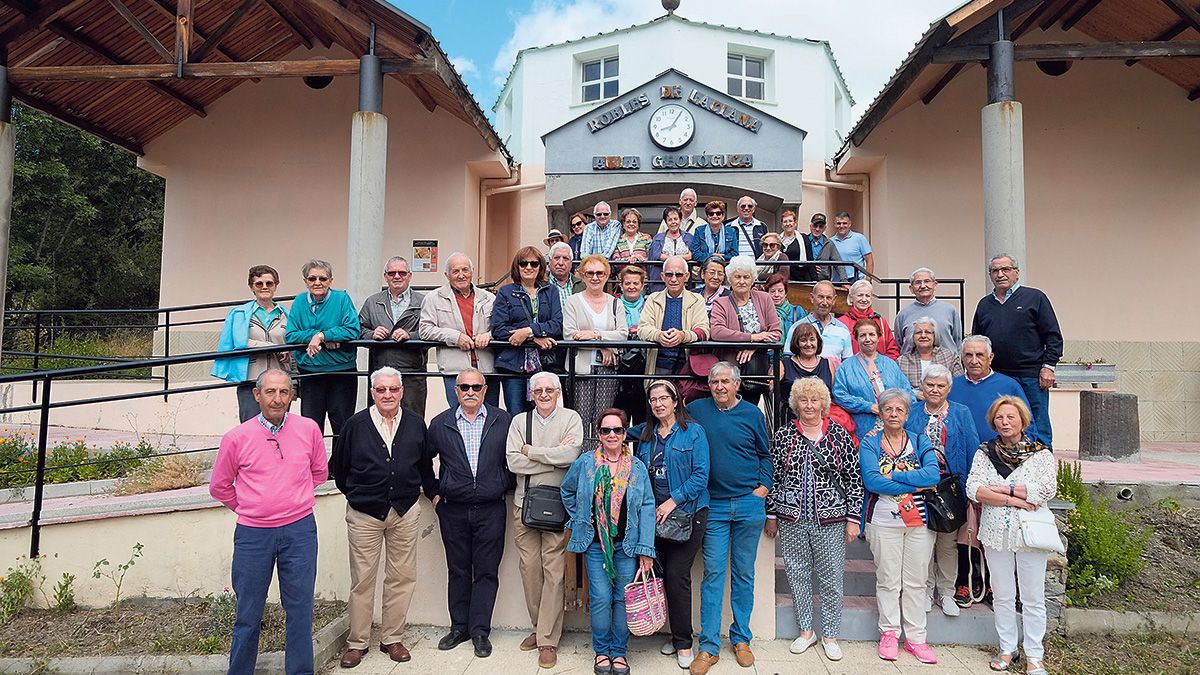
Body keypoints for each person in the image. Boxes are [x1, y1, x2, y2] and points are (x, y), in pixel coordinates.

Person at [209, 369, 326, 675]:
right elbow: (220, 486)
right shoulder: (236, 438)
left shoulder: (309, 429)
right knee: (248, 613)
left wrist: (292, 499)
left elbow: (319, 473)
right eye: (270, 392)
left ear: (293, 396)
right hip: (253, 535)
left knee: (300, 611)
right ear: (257, 395)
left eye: (284, 392)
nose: (277, 399)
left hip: (299, 531)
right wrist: (251, 507)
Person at [330, 367, 436, 668]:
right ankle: (357, 642)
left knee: (402, 577)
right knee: (362, 579)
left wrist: (433, 492)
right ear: (372, 392)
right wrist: (357, 495)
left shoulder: (416, 424)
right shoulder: (355, 425)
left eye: (393, 389)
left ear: (401, 391)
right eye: (381, 390)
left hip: (404, 511)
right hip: (365, 513)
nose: (387, 395)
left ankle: (392, 638)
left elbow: (424, 466)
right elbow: (340, 468)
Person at [765, 377, 863, 662]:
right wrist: (772, 514)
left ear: (824, 403)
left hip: (831, 519)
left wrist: (853, 519)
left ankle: (830, 634)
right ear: (796, 404)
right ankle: (806, 631)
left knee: (831, 576)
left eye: (814, 400)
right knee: (797, 574)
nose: (809, 405)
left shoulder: (839, 435)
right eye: (804, 400)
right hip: (792, 518)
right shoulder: (784, 435)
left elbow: (853, 479)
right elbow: (775, 478)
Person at [686, 362, 772, 675]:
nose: (720, 386)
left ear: (737, 384)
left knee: (744, 574)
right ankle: (708, 647)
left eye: (725, 381)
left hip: (749, 504)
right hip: (715, 507)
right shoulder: (696, 409)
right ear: (708, 385)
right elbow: (668, 424)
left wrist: (764, 487)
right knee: (713, 574)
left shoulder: (752, 414)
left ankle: (741, 639)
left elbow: (765, 453)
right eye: (714, 381)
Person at [560, 408, 656, 675]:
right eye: (605, 430)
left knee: (623, 600)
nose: (611, 435)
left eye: (617, 430)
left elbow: (647, 507)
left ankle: (620, 652)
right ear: (598, 434)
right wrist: (580, 517)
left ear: (625, 434)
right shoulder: (585, 463)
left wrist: (646, 550)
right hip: (595, 545)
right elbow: (567, 490)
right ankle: (602, 651)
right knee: (601, 598)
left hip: (627, 545)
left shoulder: (636, 468)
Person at [966, 396, 1056, 675]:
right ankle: (1007, 648)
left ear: (1022, 420)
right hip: (995, 532)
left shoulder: (1041, 454)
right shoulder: (985, 452)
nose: (1005, 422)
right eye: (1000, 418)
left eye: (1010, 417)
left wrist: (1002, 489)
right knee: (1003, 595)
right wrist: (1015, 498)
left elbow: (1046, 490)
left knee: (1032, 597)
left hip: (1029, 534)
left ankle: (1035, 655)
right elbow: (974, 489)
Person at [428, 368, 513, 658]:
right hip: (453, 509)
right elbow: (422, 461)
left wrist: (503, 484)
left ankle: (480, 631)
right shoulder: (440, 423)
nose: (470, 392)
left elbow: (512, 459)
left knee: (487, 572)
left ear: (485, 389)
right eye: (464, 386)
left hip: (491, 508)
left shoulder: (503, 421)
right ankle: (459, 627)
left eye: (476, 386)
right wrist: (434, 492)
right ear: (455, 390)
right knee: (458, 570)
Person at [628, 380, 710, 670]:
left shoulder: (693, 433)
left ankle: (684, 642)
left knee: (677, 575)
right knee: (660, 574)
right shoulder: (646, 435)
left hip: (687, 513)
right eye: (653, 400)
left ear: (676, 401)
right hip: (654, 517)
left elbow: (701, 476)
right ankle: (674, 636)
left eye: (664, 398)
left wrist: (672, 501)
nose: (659, 403)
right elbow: (615, 433)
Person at [505, 371, 583, 669]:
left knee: (554, 572)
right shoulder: (519, 422)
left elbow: (572, 455)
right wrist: (552, 455)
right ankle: (540, 627)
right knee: (530, 570)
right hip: (524, 504)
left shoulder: (571, 418)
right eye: (538, 391)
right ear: (531, 394)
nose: (544, 395)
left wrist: (532, 452)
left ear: (558, 391)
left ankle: (547, 640)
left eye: (550, 390)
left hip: (557, 506)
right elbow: (513, 461)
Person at [859, 388, 941, 664]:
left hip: (919, 521)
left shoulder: (920, 440)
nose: (894, 414)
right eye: (888, 409)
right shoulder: (870, 443)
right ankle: (890, 634)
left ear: (907, 414)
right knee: (888, 580)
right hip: (883, 520)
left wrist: (891, 473)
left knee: (916, 582)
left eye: (899, 410)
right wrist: (915, 482)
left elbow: (933, 474)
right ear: (880, 413)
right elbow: (872, 481)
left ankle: (916, 639)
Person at [903, 364, 979, 618]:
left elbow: (972, 450)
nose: (935, 390)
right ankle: (924, 592)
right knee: (922, 542)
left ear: (949, 388)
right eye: (930, 385)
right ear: (922, 387)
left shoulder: (961, 413)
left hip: (950, 488)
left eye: (940, 385)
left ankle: (946, 592)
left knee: (947, 543)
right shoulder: (912, 412)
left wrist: (970, 489)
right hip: (919, 486)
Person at [972, 254, 1063, 447]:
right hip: (997, 377)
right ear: (990, 275)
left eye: (1006, 269)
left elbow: (1053, 336)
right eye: (995, 270)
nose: (1000, 274)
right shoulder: (984, 305)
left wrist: (1049, 367)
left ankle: (1042, 469)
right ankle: (1002, 466)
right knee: (1000, 423)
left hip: (1031, 376)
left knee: (1037, 425)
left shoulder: (1035, 298)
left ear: (1016, 273)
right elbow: (977, 341)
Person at [285, 259, 360, 437]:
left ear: (330, 281)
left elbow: (353, 329)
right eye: (312, 279)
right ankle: (314, 466)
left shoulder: (342, 298)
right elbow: (290, 335)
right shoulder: (300, 301)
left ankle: (339, 466)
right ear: (305, 281)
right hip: (311, 373)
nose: (317, 282)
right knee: (311, 427)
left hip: (342, 372)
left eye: (322, 278)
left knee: (342, 426)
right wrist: (316, 337)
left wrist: (322, 336)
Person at [418, 252, 500, 407]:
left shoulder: (489, 298)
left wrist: (489, 335)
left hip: (487, 369)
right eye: (455, 271)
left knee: (491, 418)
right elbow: (425, 329)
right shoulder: (433, 298)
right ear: (447, 275)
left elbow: (501, 326)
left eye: (465, 270)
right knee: (458, 417)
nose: (461, 275)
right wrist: (455, 337)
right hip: (454, 370)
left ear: (472, 272)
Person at [563, 255, 628, 447]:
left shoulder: (616, 303)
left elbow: (622, 334)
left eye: (600, 273)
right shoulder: (573, 302)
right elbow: (570, 335)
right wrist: (603, 346)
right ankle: (583, 463)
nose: (595, 277)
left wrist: (596, 335)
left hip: (607, 369)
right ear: (582, 276)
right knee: (580, 420)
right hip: (580, 369)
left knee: (604, 419)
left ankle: (603, 463)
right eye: (589, 273)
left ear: (607, 275)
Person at [213, 265, 291, 423]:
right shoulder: (239, 313)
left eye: (269, 283)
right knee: (251, 427)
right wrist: (273, 347)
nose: (264, 287)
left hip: (279, 381)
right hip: (251, 380)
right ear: (251, 287)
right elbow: (240, 342)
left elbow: (293, 346)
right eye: (259, 283)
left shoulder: (287, 315)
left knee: (280, 426)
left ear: (276, 285)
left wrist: (293, 379)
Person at [490, 247, 563, 414]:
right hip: (513, 365)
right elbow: (498, 329)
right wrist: (534, 338)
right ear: (517, 267)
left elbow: (557, 325)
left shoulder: (551, 291)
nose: (529, 267)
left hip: (544, 363)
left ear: (541, 267)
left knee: (544, 412)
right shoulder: (505, 292)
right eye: (524, 263)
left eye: (534, 263)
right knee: (516, 413)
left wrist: (528, 331)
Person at [358, 256, 429, 417]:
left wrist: (410, 336)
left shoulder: (424, 302)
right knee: (379, 420)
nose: (397, 277)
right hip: (381, 372)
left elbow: (431, 332)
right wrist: (372, 334)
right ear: (385, 276)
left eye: (402, 273)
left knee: (413, 421)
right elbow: (358, 330)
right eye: (392, 273)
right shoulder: (372, 302)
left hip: (412, 373)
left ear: (410, 276)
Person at [709, 256, 782, 405]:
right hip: (729, 367)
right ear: (730, 279)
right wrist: (751, 338)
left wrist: (753, 347)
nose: (741, 281)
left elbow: (776, 332)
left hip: (755, 369)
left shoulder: (764, 298)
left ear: (752, 279)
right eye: (737, 277)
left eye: (746, 277)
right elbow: (717, 331)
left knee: (751, 406)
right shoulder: (720, 303)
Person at [948, 335, 1039, 444]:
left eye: (979, 355)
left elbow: (1028, 425)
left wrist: (1016, 453)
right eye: (968, 355)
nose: (974, 361)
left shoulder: (1009, 386)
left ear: (990, 358)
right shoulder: (951, 386)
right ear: (962, 358)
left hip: (999, 456)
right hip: (960, 455)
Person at [832, 319, 912, 441]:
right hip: (863, 428)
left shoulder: (891, 364)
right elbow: (839, 395)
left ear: (879, 337)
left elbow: (907, 392)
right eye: (863, 335)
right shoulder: (846, 367)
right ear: (856, 339)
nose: (867, 339)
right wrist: (868, 406)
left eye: (872, 334)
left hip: (894, 428)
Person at [639, 255, 709, 376]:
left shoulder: (697, 300)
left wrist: (683, 336)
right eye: (669, 274)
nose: (673, 279)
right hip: (658, 365)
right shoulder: (653, 299)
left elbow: (704, 331)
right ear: (662, 277)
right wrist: (659, 335)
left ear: (687, 277)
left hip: (687, 366)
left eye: (679, 275)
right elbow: (642, 329)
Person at [778, 322, 840, 421]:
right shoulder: (784, 364)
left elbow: (834, 395)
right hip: (791, 420)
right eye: (803, 340)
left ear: (818, 342)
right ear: (796, 343)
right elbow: (770, 388)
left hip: (822, 420)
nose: (808, 344)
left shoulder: (828, 363)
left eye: (812, 339)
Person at [894, 267, 963, 353]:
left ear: (935, 285)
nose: (923, 286)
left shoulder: (950, 310)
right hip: (912, 365)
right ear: (911, 288)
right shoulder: (903, 314)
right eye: (918, 282)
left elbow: (958, 341)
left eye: (927, 281)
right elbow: (898, 345)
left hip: (946, 364)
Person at [783, 280, 853, 359]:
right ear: (812, 298)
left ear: (834, 300)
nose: (824, 302)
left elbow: (847, 364)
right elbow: (788, 360)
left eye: (829, 298)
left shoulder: (843, 329)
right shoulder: (796, 327)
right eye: (821, 297)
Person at [617, 265, 649, 427]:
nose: (631, 287)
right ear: (621, 285)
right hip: (618, 367)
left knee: (642, 419)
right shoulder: (612, 304)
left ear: (642, 285)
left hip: (644, 365)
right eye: (627, 283)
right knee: (619, 416)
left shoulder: (650, 304)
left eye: (636, 283)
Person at [897, 316, 964, 391]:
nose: (923, 336)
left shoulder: (950, 357)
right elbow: (898, 389)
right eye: (918, 333)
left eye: (928, 332)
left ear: (935, 335)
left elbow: (959, 384)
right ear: (912, 337)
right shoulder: (902, 361)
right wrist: (914, 394)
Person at [839, 279, 899, 358]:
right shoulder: (841, 323)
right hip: (852, 368)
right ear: (851, 298)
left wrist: (885, 367)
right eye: (860, 295)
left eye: (867, 296)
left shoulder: (880, 321)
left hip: (880, 368)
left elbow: (892, 350)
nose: (864, 299)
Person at [648, 206, 693, 288]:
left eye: (675, 219)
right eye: (670, 220)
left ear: (680, 220)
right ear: (666, 222)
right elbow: (656, 255)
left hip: (683, 281)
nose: (673, 222)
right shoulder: (658, 238)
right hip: (661, 281)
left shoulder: (689, 237)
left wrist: (668, 257)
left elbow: (692, 255)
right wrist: (682, 257)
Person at [829, 211, 873, 281]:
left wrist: (868, 279)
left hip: (857, 280)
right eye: (838, 223)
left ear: (850, 224)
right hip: (838, 282)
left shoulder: (860, 238)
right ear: (834, 224)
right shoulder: (830, 241)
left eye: (844, 223)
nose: (841, 226)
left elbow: (869, 260)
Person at [803, 213, 845, 283]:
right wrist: (811, 267)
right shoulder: (803, 241)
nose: (817, 229)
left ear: (825, 228)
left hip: (823, 282)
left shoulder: (829, 244)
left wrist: (844, 281)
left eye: (821, 226)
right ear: (810, 226)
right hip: (805, 282)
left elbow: (839, 264)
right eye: (815, 226)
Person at [777, 211, 810, 282]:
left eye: (790, 221)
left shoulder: (804, 238)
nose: (788, 224)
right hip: (781, 280)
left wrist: (814, 280)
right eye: (785, 221)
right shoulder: (777, 240)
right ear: (782, 225)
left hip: (799, 279)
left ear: (795, 223)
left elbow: (810, 259)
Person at [547, 241, 581, 306]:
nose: (561, 263)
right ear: (550, 261)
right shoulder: (540, 284)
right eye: (557, 258)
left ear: (571, 264)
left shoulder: (582, 286)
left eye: (565, 259)